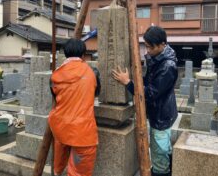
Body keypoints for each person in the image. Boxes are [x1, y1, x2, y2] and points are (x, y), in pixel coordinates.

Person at [112, 26, 178, 176]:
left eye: (150, 47)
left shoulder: (167, 66)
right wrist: (134, 78)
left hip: (161, 117)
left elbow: (150, 92)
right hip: (158, 112)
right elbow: (149, 82)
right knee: (160, 150)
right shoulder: (158, 58)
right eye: (146, 46)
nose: (147, 50)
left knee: (160, 153)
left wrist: (128, 82)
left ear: (162, 44)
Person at [48, 38, 100, 176]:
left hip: (60, 126)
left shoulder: (55, 75)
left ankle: (57, 172)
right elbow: (96, 92)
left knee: (58, 163)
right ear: (83, 54)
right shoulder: (92, 72)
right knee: (79, 171)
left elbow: (55, 96)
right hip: (82, 131)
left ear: (65, 54)